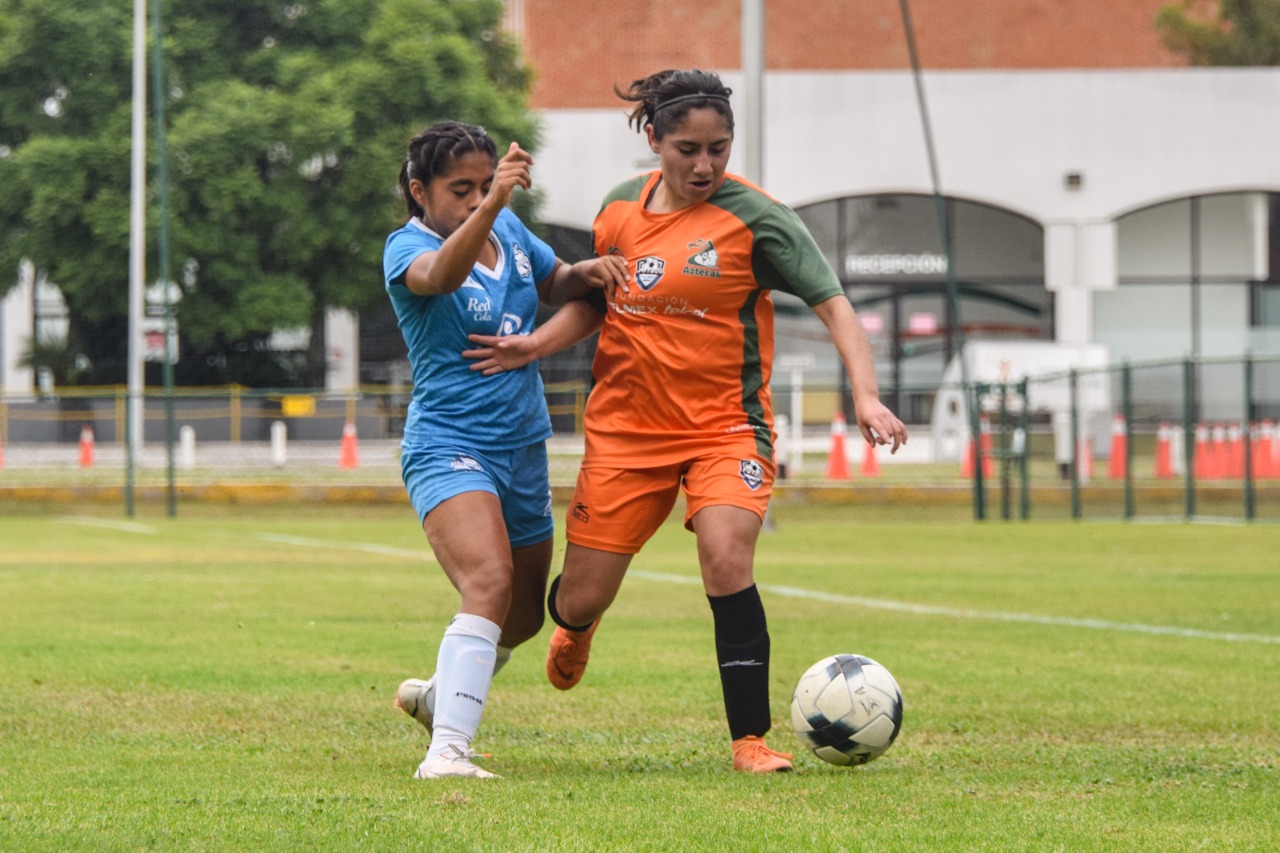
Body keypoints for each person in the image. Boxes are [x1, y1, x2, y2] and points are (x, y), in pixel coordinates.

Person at [466, 69, 907, 773]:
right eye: (687, 148)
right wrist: (535, 343)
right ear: (653, 138)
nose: (704, 165)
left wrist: (867, 395)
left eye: (719, 149)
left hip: (725, 428)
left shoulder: (758, 218)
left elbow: (835, 305)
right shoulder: (617, 209)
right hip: (625, 431)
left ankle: (750, 739)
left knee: (728, 557)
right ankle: (578, 628)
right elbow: (596, 302)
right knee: (576, 596)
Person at [382, 120, 626, 779]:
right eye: (459, 189)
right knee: (486, 582)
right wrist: (492, 205)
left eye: (486, 185)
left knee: (517, 617)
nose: (476, 199)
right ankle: (447, 754)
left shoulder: (510, 232)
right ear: (418, 190)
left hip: (523, 450)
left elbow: (558, 282)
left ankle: (440, 696)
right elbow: (439, 274)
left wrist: (586, 270)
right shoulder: (406, 247)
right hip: (448, 446)